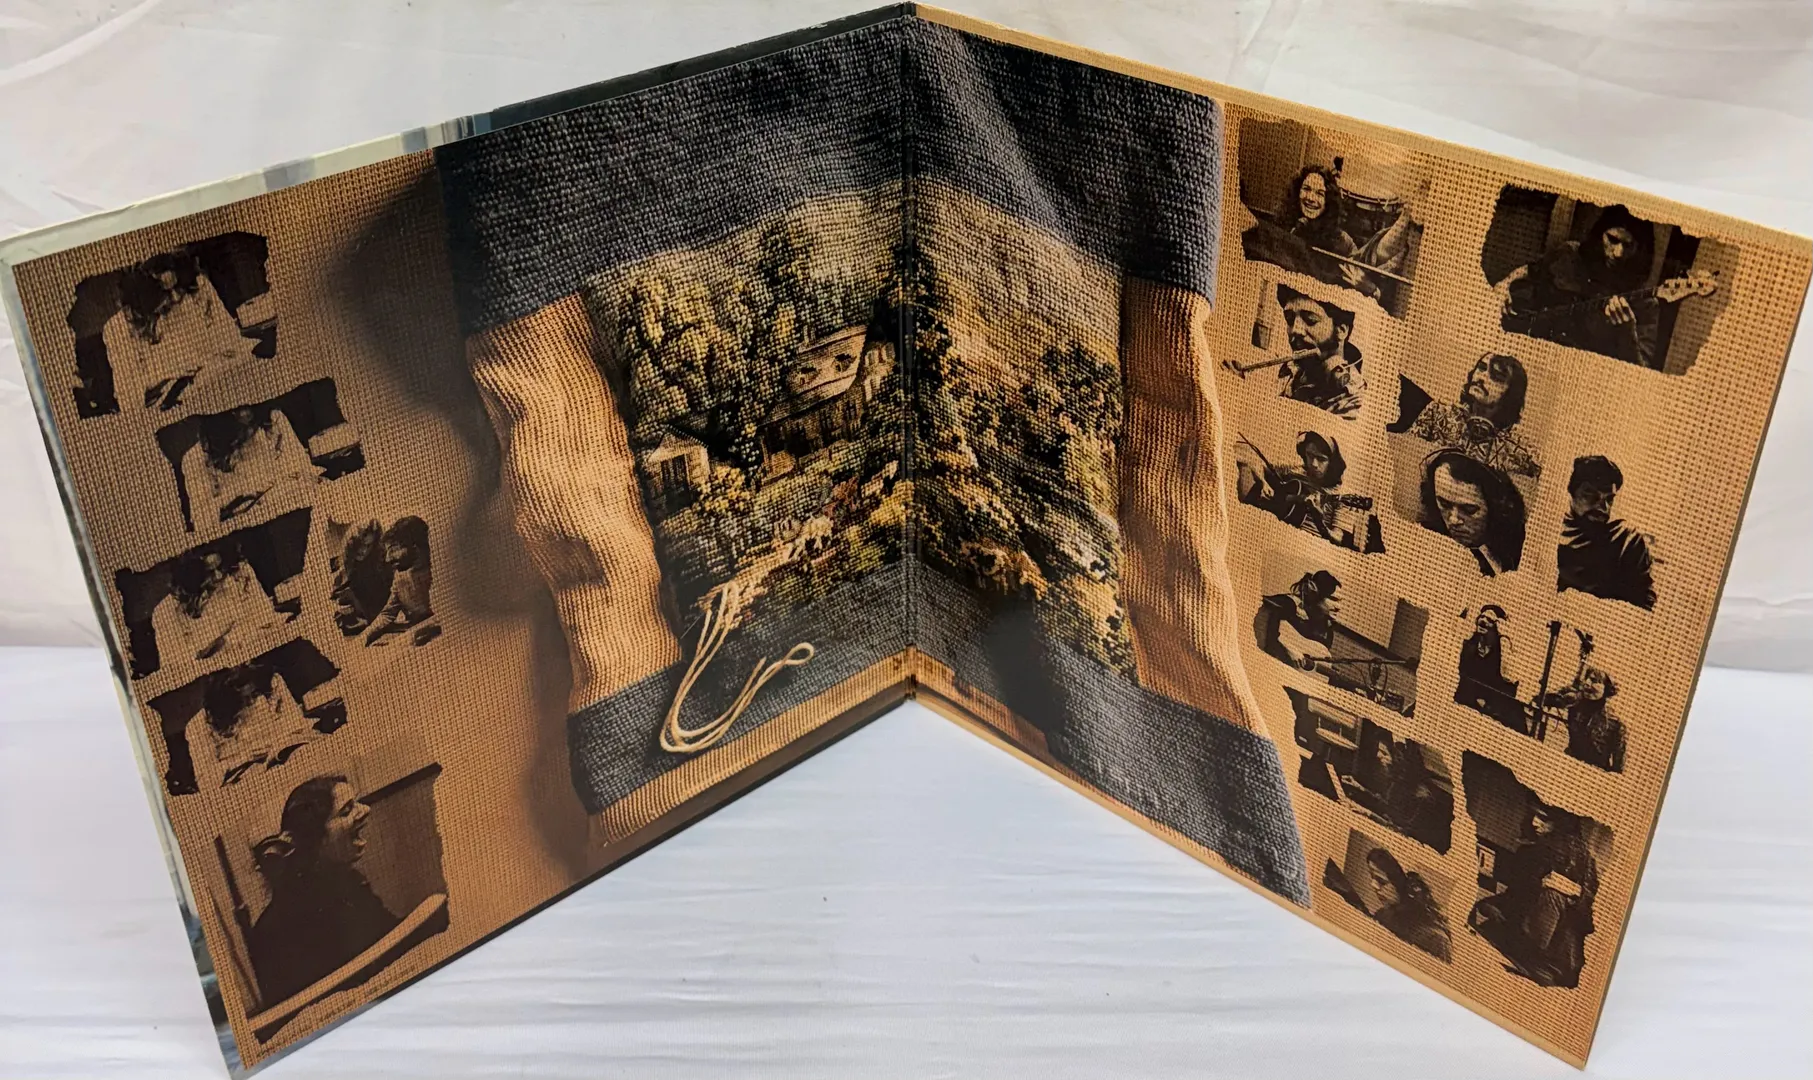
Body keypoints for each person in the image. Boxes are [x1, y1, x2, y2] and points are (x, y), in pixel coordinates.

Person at [248, 776, 402, 1007]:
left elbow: (392, 937)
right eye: (346, 811)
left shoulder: (349, 883)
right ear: (314, 839)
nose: (365, 810)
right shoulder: (279, 926)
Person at [1494, 203, 1662, 368]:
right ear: (1599, 234)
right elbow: (1530, 270)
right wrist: (1504, 285)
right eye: (1612, 240)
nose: (1618, 253)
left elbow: (1639, 371)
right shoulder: (1569, 254)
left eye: (1629, 245)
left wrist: (1628, 333)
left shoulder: (1645, 303)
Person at [103, 250, 259, 410]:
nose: (176, 298)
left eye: (178, 288)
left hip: (217, 383)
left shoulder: (197, 286)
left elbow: (231, 339)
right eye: (164, 292)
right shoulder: (117, 328)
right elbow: (129, 401)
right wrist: (164, 374)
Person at [1469, 802, 1600, 988]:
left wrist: (1574, 892)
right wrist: (1493, 906)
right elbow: (1516, 895)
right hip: (1518, 935)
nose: (1534, 822)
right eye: (1533, 815)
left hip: (1549, 958)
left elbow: (1591, 918)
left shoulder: (1584, 865)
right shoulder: (1530, 852)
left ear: (1560, 823)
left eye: (1544, 819)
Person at [1241, 166, 1384, 299]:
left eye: (1320, 194)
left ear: (1328, 201)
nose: (1311, 198)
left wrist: (1372, 290)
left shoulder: (1342, 241)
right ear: (1297, 192)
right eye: (1306, 189)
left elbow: (1357, 280)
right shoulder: (1281, 226)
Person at [1394, 352, 1539, 479]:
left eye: (1497, 376)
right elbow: (1406, 460)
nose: (1481, 377)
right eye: (1481, 368)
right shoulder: (1438, 414)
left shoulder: (1522, 453)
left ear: (1512, 393)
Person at [1235, 431, 1383, 552]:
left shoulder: (1339, 494)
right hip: (1268, 520)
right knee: (1245, 463)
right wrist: (1263, 481)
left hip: (1301, 542)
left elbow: (1338, 538)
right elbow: (1258, 464)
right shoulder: (1297, 471)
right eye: (1310, 455)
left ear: (1332, 463)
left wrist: (1320, 521)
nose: (1313, 464)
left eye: (1321, 459)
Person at [185, 663, 314, 789]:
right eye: (246, 699)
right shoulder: (197, 726)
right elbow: (207, 782)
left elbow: (300, 728)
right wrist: (247, 756)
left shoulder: (272, 683)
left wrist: (277, 749)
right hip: (246, 785)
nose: (254, 701)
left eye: (255, 694)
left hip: (288, 765)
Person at [1557, 455, 1656, 609]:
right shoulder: (1552, 532)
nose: (1603, 508)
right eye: (1591, 495)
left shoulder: (1627, 541)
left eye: (1609, 499)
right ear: (1572, 492)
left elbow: (1645, 607)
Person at [1418, 449, 1526, 576]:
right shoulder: (1423, 543)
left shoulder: (1516, 552)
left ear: (1496, 508)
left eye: (1469, 510)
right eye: (1444, 504)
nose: (1453, 520)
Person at [1344, 732, 1453, 852]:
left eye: (1384, 753)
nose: (1378, 755)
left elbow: (1399, 831)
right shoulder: (1399, 783)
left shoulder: (1416, 794)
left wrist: (1367, 814)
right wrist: (1359, 788)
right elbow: (1387, 807)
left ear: (1397, 758)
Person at [1273, 285, 1365, 416]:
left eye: (1310, 320)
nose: (1295, 330)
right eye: (1290, 319)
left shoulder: (1353, 400)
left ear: (1341, 330)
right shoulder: (1290, 371)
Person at [363, 517, 441, 647]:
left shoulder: (439, 572)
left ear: (415, 547)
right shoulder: (400, 576)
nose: (388, 559)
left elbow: (444, 618)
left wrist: (406, 639)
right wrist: (364, 638)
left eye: (393, 549)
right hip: (414, 634)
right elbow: (388, 613)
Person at [1364, 847, 1452, 961]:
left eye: (1382, 882)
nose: (1373, 886)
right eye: (1372, 877)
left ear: (1398, 885)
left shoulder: (1436, 940)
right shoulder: (1381, 916)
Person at [1538, 665, 1627, 773]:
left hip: (1594, 772)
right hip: (1570, 763)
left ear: (1607, 689)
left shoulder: (1614, 722)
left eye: (1594, 681)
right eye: (1587, 678)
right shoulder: (1576, 701)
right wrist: (1563, 694)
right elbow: (1544, 700)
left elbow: (1618, 767)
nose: (1587, 683)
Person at [1256, 569, 1344, 676]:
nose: (1338, 607)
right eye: (1333, 599)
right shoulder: (1287, 604)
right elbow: (1261, 616)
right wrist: (1285, 647)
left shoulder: (1326, 631)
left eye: (1340, 601)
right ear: (1315, 593)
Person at [1455, 605, 1525, 731]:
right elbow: (1463, 672)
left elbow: (1508, 679)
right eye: (1481, 617)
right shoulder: (1471, 643)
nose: (1483, 621)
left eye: (1490, 620)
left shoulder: (1502, 650)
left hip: (1495, 705)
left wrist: (1504, 641)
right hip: (1469, 699)